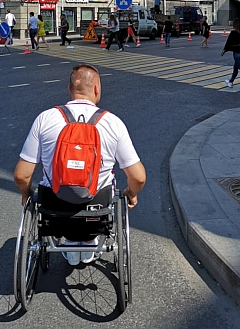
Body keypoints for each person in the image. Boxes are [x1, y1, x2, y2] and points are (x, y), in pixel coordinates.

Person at [13, 64, 146, 266]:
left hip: (54, 207)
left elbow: (22, 176)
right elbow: (138, 177)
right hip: (97, 207)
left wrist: (26, 193)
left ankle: (69, 243)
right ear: (96, 89)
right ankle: (89, 240)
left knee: (47, 194)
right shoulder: (113, 123)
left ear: (69, 90)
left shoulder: (45, 119)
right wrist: (131, 193)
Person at [222, 18, 240, 92]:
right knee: (236, 68)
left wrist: (224, 50)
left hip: (237, 53)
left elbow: (228, 43)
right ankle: (230, 82)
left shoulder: (233, 33)